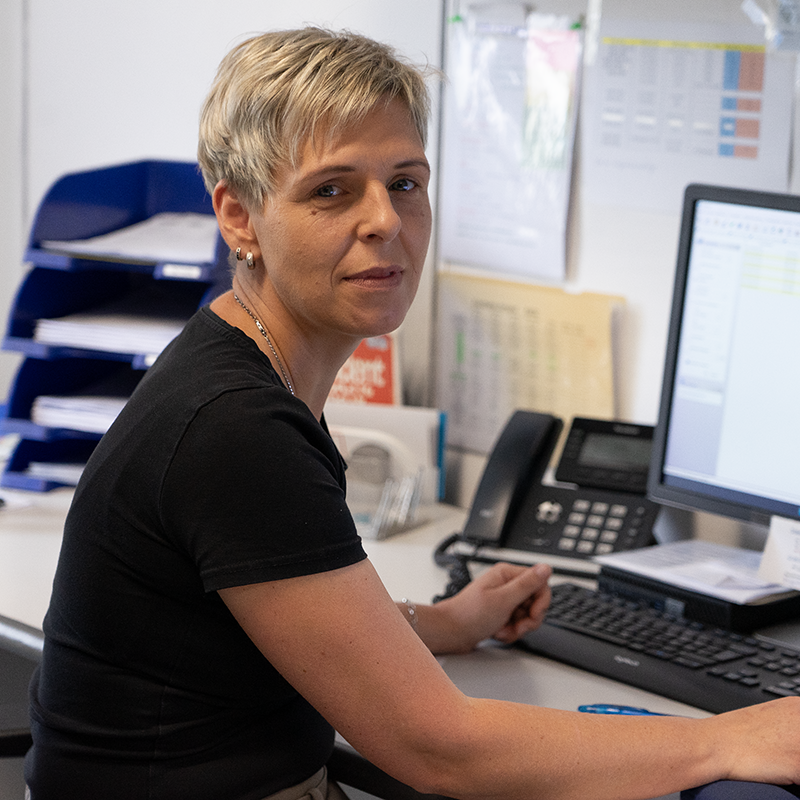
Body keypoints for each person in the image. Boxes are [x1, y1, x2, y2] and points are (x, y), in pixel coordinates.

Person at [23, 25, 800, 800]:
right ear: (238, 217)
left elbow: (288, 612)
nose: (385, 221)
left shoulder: (249, 365)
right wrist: (724, 740)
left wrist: (443, 624)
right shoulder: (235, 427)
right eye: (331, 189)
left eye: (404, 182)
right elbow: (442, 751)